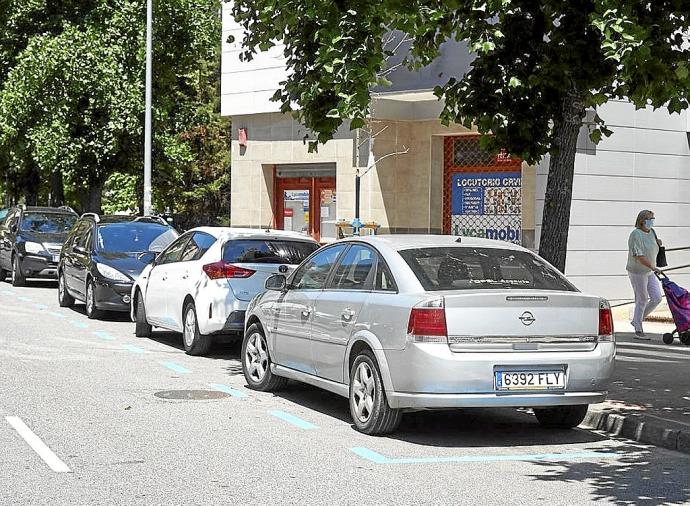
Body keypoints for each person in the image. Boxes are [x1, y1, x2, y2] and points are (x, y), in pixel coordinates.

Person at [626, 210, 663, 339]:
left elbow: (652, 246)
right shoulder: (635, 234)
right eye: (649, 218)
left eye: (653, 218)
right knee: (642, 299)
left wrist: (658, 243)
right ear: (642, 220)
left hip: (649, 271)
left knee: (657, 298)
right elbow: (639, 256)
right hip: (637, 271)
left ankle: (636, 320)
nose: (652, 221)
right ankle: (638, 329)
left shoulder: (652, 232)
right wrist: (653, 267)